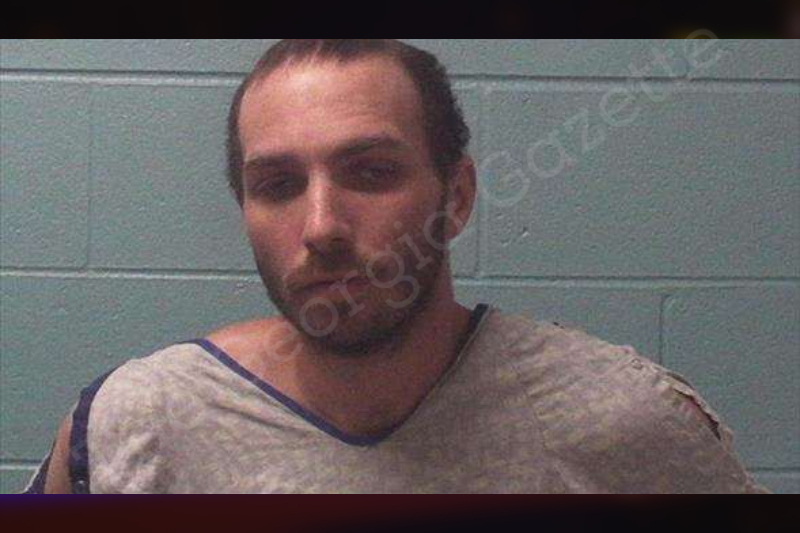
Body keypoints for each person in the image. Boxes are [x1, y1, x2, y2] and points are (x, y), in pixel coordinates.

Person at [24, 39, 768, 494]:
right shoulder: (136, 424)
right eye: (277, 185)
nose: (322, 227)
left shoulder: (620, 421)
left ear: (457, 196)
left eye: (372, 173)